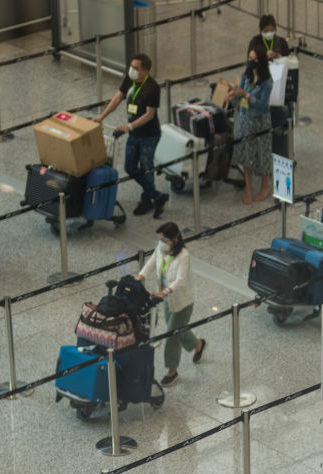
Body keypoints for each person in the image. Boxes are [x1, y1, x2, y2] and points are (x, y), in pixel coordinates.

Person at [94, 53, 169, 219]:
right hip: (134, 133)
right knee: (129, 167)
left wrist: (128, 126)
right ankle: (157, 196)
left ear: (145, 71)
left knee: (146, 167)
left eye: (136, 68)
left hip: (149, 135)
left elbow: (150, 114)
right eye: (131, 66)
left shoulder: (152, 87)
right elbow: (118, 97)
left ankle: (147, 200)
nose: (132, 70)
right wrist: (101, 117)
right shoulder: (130, 80)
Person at [137, 222, 206, 386]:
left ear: (174, 240)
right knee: (178, 330)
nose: (160, 242)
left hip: (183, 301)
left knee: (171, 335)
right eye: (159, 238)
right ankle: (198, 345)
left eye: (164, 239)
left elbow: (181, 280)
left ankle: (172, 371)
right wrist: (141, 276)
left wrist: (165, 292)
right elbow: (152, 262)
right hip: (167, 300)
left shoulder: (184, 256)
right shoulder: (161, 248)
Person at [224, 46, 273, 204]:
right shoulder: (246, 76)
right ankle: (249, 188)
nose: (251, 62)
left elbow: (261, 105)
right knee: (246, 154)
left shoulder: (267, 82)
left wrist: (246, 94)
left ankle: (265, 186)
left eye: (254, 60)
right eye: (249, 59)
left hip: (260, 121)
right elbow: (240, 100)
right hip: (244, 119)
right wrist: (232, 96)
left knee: (262, 154)